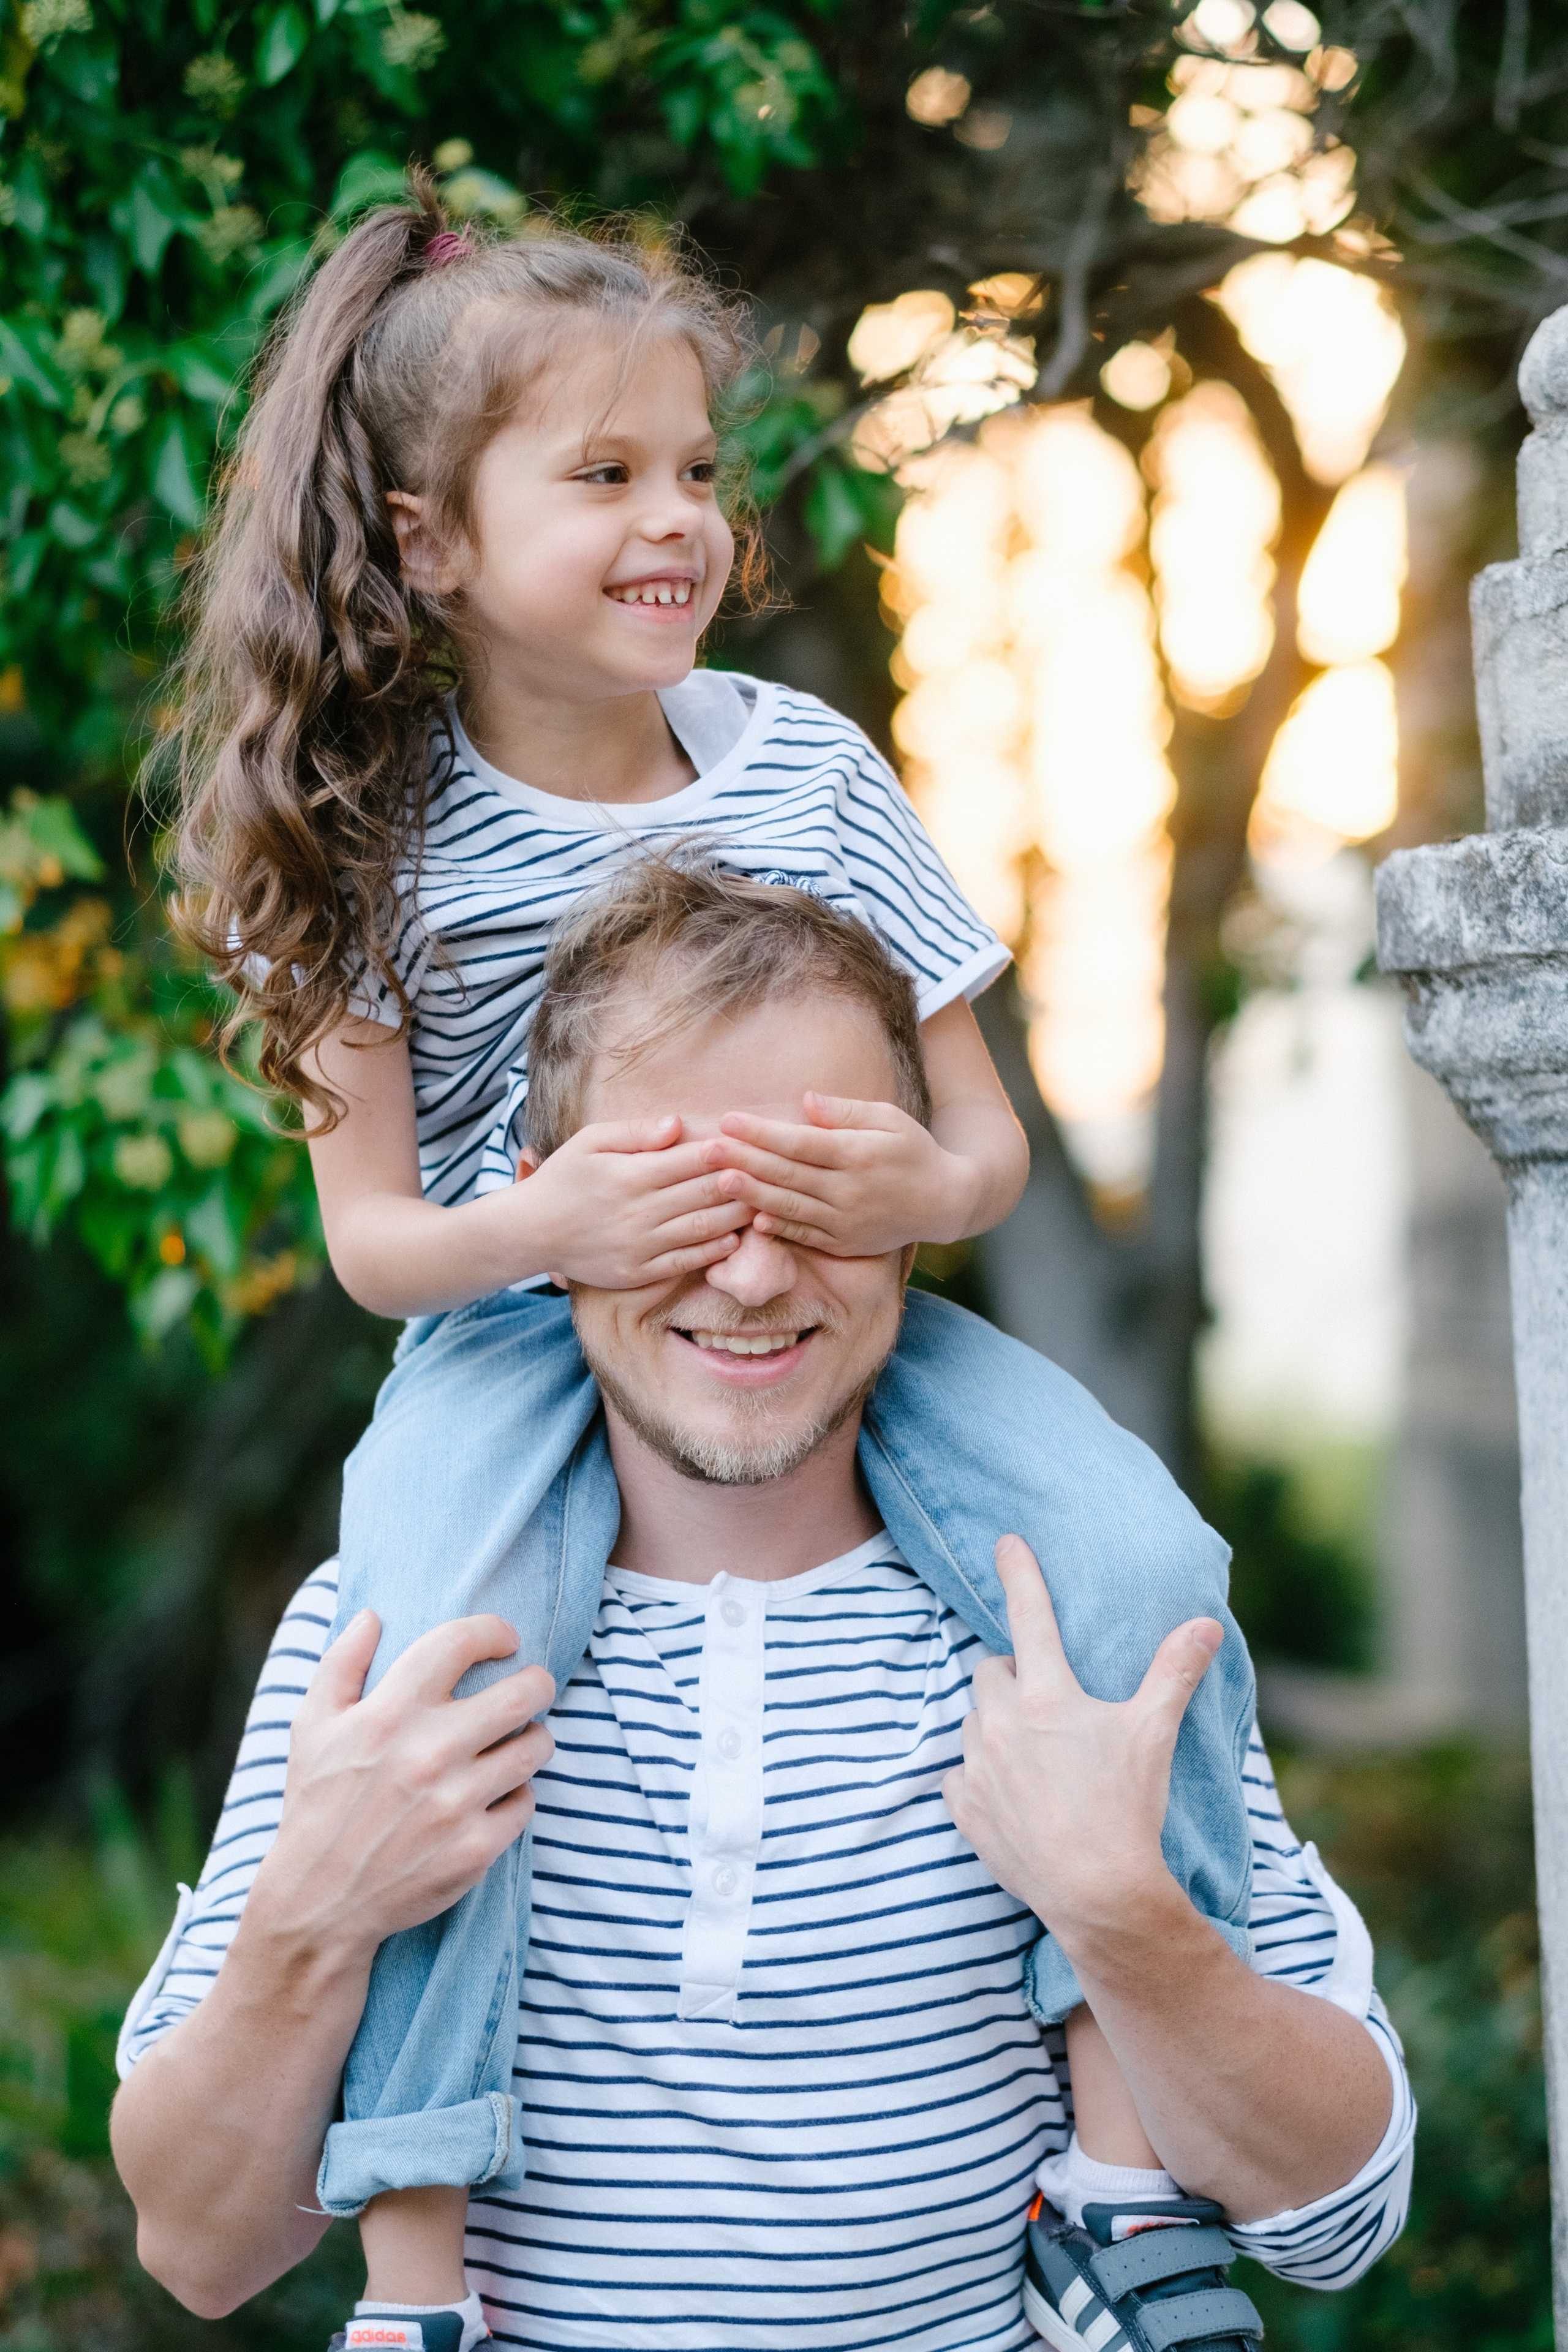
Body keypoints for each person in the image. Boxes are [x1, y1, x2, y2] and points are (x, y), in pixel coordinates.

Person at [160, 171, 1347, 2346]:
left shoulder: (803, 767)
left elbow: (978, 1141)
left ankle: (1116, 2179)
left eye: (696, 468)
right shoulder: (367, 837)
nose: (678, 517)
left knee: (1142, 1562)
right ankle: (420, 2262)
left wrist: (915, 1190)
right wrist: (562, 1221)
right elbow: (382, 1252)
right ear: (430, 540)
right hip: (527, 1355)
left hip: (853, 1330)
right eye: (602, 471)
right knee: (437, 1676)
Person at [110, 867, 1414, 2352]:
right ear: (549, 1215)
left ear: (915, 1205)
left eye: (818, 1196)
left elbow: (1339, 2217)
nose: (746, 1272)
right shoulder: (391, 1627)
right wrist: (310, 1918)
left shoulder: (1079, 1625)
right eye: (675, 1201)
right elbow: (200, 2251)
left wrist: (1127, 1918)